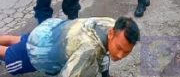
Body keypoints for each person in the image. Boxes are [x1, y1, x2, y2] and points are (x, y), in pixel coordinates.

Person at [0, 16, 140, 77]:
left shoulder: (112, 24)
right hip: (40, 50)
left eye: (126, 52)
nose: (121, 55)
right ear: (111, 33)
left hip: (50, 30)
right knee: (8, 54)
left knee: (20, 41)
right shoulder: (89, 50)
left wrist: (105, 75)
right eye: (120, 48)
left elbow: (105, 52)